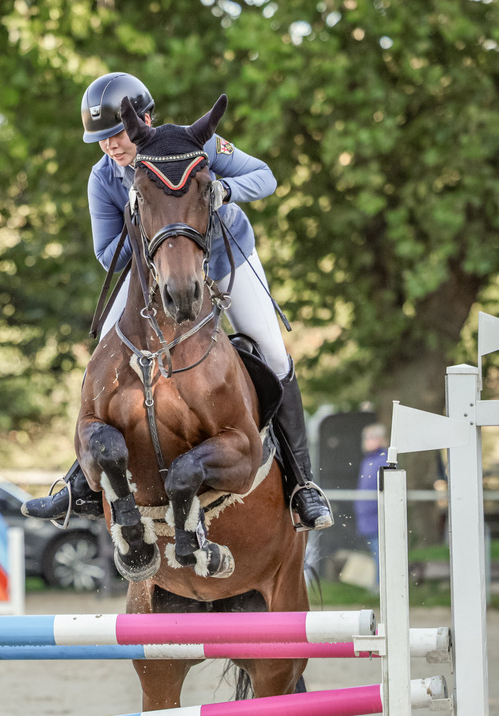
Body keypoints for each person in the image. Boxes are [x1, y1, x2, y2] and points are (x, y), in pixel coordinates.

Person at [24, 72, 333, 531]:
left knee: (272, 351)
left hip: (226, 258)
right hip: (152, 276)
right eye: (101, 139)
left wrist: (225, 191)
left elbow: (264, 176)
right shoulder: (103, 178)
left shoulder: (193, 145)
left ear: (144, 119)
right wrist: (145, 218)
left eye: (117, 133)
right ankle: (80, 486)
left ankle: (302, 485)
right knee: (106, 358)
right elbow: (107, 254)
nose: (110, 146)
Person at [354, 423, 390, 586]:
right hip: (367, 517)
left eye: (372, 437)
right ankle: (378, 584)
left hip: (378, 516)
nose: (368, 441)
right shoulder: (368, 460)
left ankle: (381, 585)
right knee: (375, 552)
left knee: (381, 553)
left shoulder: (384, 459)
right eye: (367, 437)